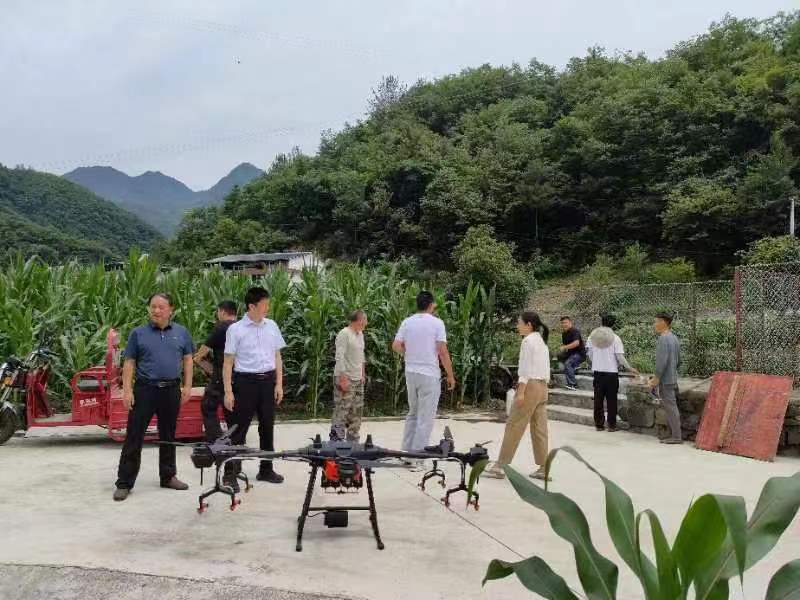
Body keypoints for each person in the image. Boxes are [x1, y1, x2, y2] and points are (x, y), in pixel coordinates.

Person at [113, 293, 195, 502]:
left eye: (161, 307)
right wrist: (127, 391)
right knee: (134, 435)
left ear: (171, 310)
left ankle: (168, 476)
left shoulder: (181, 332)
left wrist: (187, 386)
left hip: (171, 390)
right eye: (153, 306)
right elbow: (129, 362)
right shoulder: (138, 333)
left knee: (169, 434)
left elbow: (188, 359)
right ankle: (124, 482)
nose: (156, 311)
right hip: (145, 390)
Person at [223, 287, 286, 488]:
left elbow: (277, 356)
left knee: (267, 427)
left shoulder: (272, 326)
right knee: (238, 430)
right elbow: (228, 362)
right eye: (264, 305)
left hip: (268, 383)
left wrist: (279, 384)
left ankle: (266, 469)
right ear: (252, 306)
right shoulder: (236, 329)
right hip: (245, 383)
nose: (268, 308)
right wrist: (228, 392)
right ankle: (230, 474)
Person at [485, 312, 551, 481]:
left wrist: (520, 393)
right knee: (540, 429)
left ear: (529, 325)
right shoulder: (541, 341)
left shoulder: (528, 341)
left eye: (519, 323)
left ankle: (500, 466)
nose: (517, 326)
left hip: (530, 387)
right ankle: (544, 468)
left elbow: (525, 371)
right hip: (543, 387)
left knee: (514, 426)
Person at [392, 291, 456, 455]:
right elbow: (442, 351)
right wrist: (450, 375)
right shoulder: (437, 323)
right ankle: (418, 454)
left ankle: (406, 451)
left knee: (413, 413)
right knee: (425, 417)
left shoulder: (407, 322)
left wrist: (408, 354)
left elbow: (396, 345)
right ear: (431, 305)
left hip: (411, 372)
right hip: (429, 374)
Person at [194, 300, 238, 442]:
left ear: (222, 312)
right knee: (232, 409)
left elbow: (203, 352)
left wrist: (197, 359)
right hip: (239, 376)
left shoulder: (221, 327)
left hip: (221, 376)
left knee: (208, 406)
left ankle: (215, 440)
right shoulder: (242, 327)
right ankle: (236, 440)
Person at [587, 314, 639, 432]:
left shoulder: (592, 337)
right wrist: (629, 368)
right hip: (611, 373)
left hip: (597, 372)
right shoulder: (615, 338)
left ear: (602, 322)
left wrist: (597, 362)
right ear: (613, 324)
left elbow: (589, 354)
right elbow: (620, 357)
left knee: (598, 399)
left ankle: (599, 425)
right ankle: (611, 425)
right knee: (612, 400)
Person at [331, 310, 368, 442]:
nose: (366, 323)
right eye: (365, 320)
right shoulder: (344, 333)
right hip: (346, 378)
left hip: (358, 379)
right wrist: (343, 378)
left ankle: (353, 441)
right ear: (358, 320)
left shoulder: (360, 334)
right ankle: (336, 441)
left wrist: (362, 374)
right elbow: (339, 356)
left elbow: (361, 356)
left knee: (356, 412)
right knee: (342, 411)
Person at [649, 311, 682, 444]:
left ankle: (676, 436)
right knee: (670, 407)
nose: (655, 324)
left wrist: (657, 377)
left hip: (665, 379)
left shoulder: (663, 338)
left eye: (656, 321)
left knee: (671, 408)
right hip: (672, 377)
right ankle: (672, 434)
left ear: (663, 322)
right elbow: (679, 361)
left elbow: (661, 361)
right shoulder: (674, 338)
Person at [558, 316, 585, 390]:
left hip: (579, 354)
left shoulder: (575, 331)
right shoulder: (564, 334)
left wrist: (565, 347)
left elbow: (576, 343)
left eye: (566, 322)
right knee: (559, 356)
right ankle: (574, 366)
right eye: (562, 323)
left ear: (570, 323)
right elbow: (565, 347)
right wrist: (562, 350)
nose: (564, 324)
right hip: (571, 354)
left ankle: (573, 384)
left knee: (568, 363)